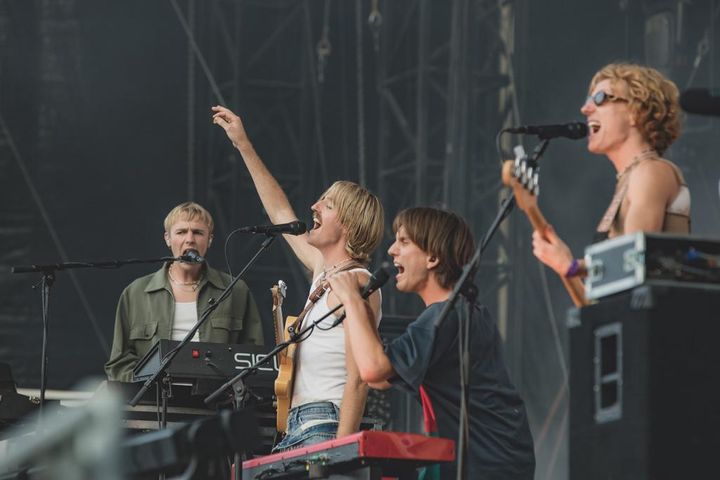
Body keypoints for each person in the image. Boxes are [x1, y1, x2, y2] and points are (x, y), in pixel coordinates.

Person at [212, 105, 384, 450]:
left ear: (348, 226)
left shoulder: (358, 283)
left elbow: (359, 379)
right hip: (297, 426)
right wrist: (243, 145)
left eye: (327, 204)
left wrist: (340, 451)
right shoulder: (324, 270)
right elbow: (280, 213)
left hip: (326, 426)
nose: (314, 207)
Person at [327, 207, 536, 480]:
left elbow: (373, 371)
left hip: (487, 463)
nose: (391, 250)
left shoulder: (444, 316)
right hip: (492, 459)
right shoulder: (458, 311)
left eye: (404, 242)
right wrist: (361, 309)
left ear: (433, 257)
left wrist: (353, 300)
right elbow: (381, 378)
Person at [533, 63, 690, 279]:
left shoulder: (651, 171)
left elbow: (634, 264)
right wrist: (569, 266)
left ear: (636, 112)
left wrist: (573, 266)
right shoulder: (630, 178)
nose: (585, 109)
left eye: (600, 99)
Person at [105, 202, 264, 382]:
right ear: (167, 238)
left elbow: (254, 357)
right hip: (155, 402)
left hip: (215, 404)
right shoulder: (136, 292)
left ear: (210, 239)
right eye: (181, 232)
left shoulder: (235, 290)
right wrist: (145, 386)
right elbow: (119, 363)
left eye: (197, 232)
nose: (190, 239)